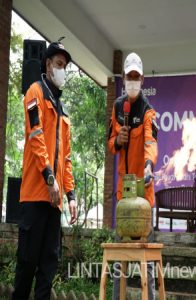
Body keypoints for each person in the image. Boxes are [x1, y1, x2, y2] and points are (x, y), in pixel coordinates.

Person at [12, 41, 77, 300]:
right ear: (48, 65)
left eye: (65, 66)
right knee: (27, 264)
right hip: (35, 196)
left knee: (48, 270)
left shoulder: (64, 111)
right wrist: (50, 179)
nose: (62, 70)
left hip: (56, 203)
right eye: (59, 65)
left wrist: (71, 196)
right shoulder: (34, 93)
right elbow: (36, 137)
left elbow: (68, 159)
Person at [108, 52, 158, 300]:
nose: (133, 81)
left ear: (143, 79)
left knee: (147, 262)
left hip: (144, 195)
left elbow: (151, 141)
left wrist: (149, 165)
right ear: (124, 77)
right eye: (129, 76)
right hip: (123, 196)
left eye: (137, 77)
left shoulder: (148, 111)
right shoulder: (118, 107)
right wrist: (118, 140)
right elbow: (109, 143)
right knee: (119, 261)